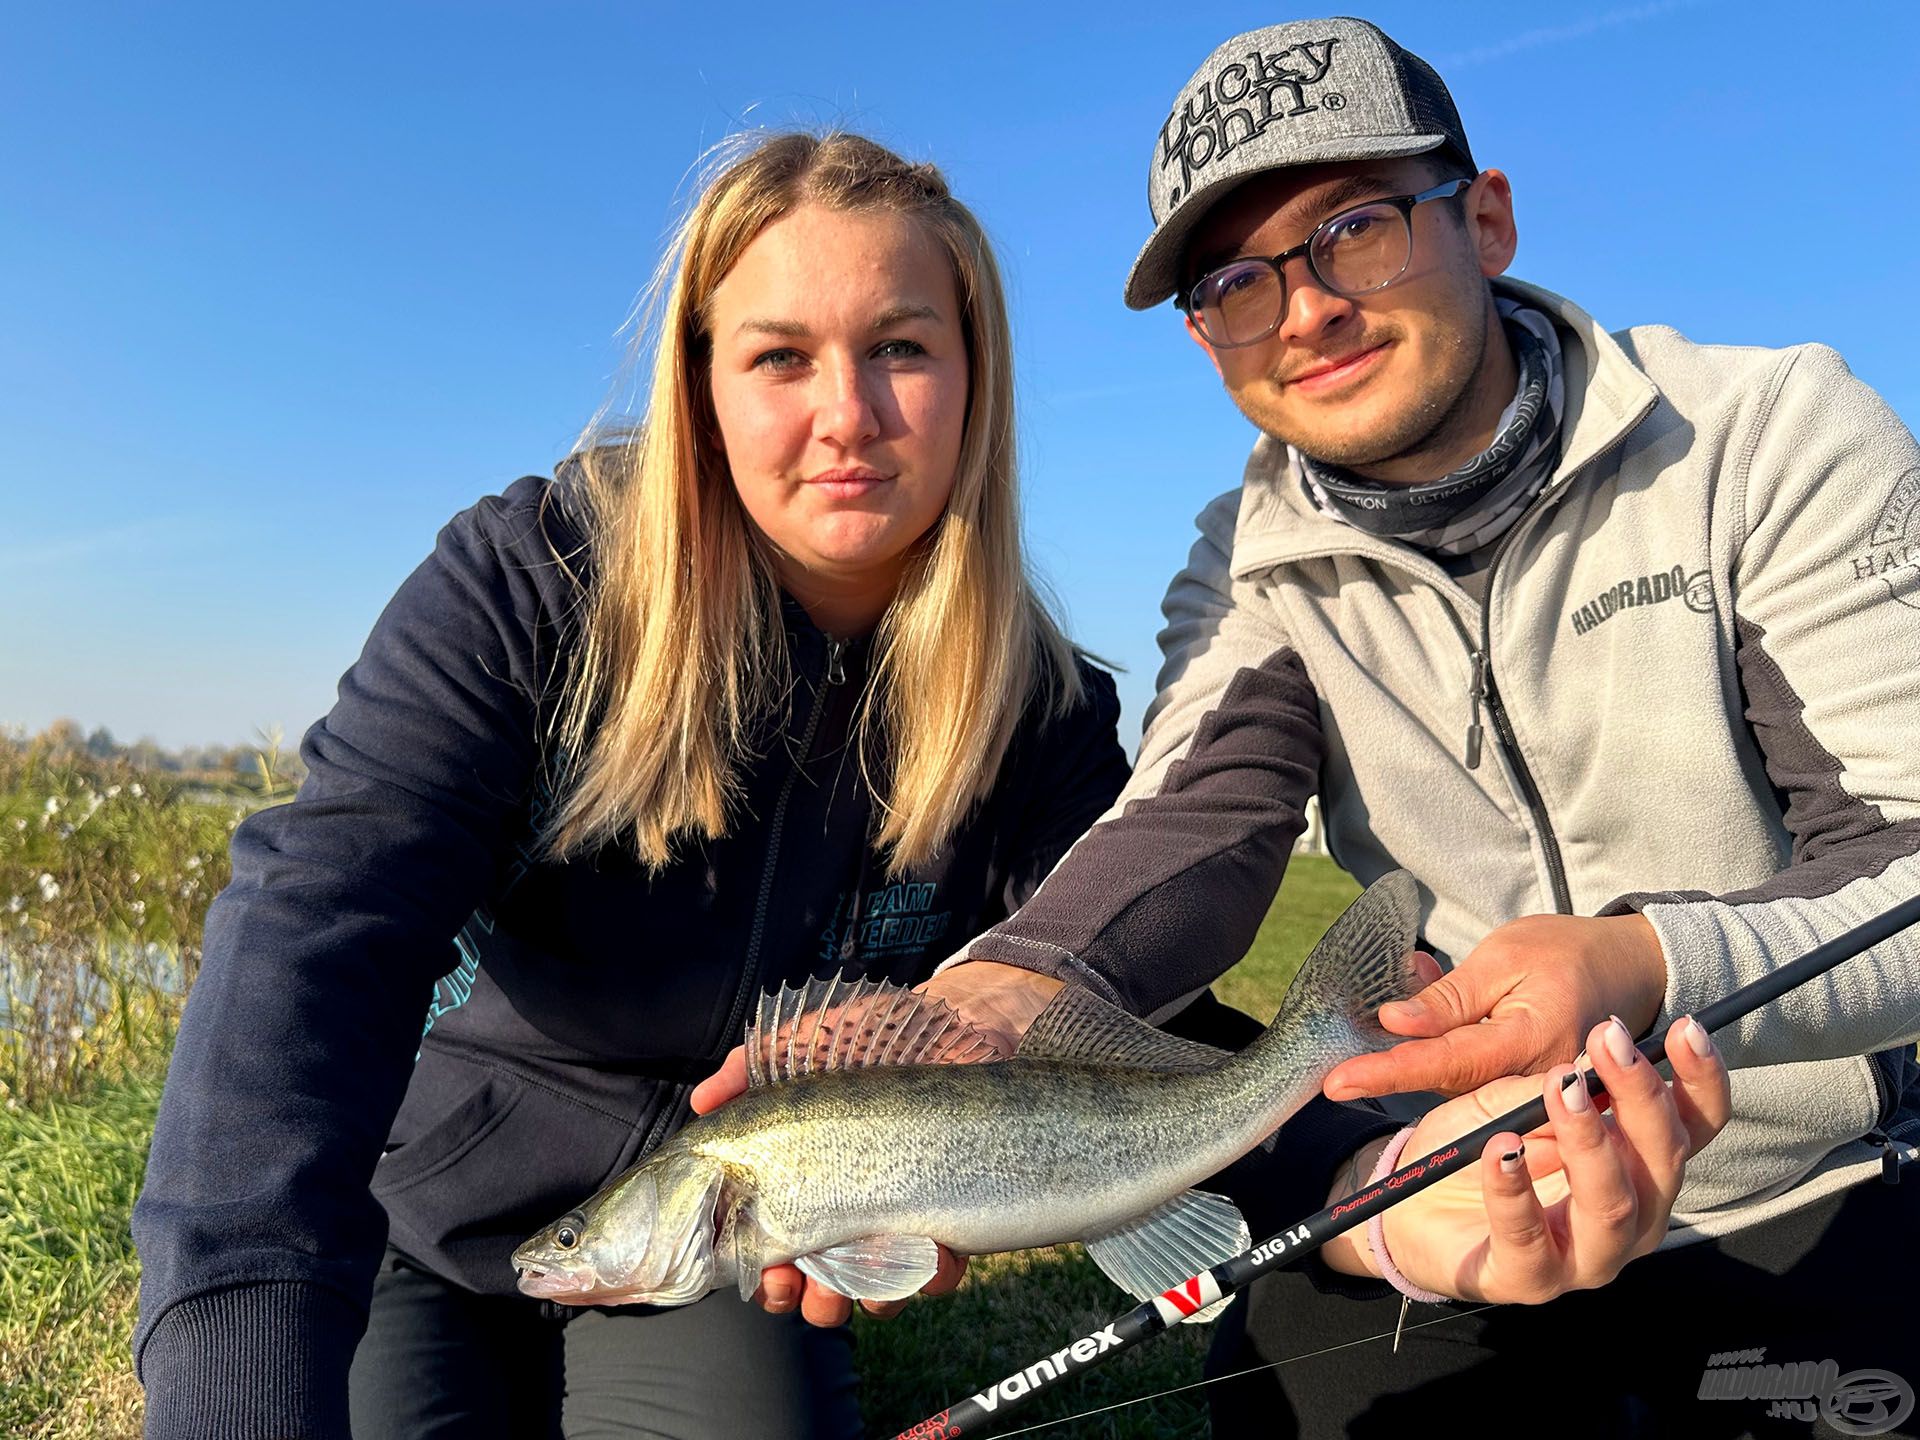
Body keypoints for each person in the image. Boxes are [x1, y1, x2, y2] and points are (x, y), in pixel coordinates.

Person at [878, 17, 1919, 1438]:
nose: (1303, 312)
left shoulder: (1771, 439)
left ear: (1485, 219)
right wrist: (1008, 989)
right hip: (1443, 1175)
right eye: (1234, 282)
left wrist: (1641, 962)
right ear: (1203, 337)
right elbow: (1191, 821)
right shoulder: (1249, 558)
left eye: (1353, 230)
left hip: (1817, 1177)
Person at [129, 130, 1141, 1440]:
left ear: (975, 380)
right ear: (703, 384)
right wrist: (234, 1341)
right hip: (414, 1218)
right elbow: (311, 936)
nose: (847, 413)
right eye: (780, 355)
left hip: (725, 1242)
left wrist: (1357, 1136)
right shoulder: (527, 586)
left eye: (901, 346)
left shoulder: (1049, 713)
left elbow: (1129, 1005)